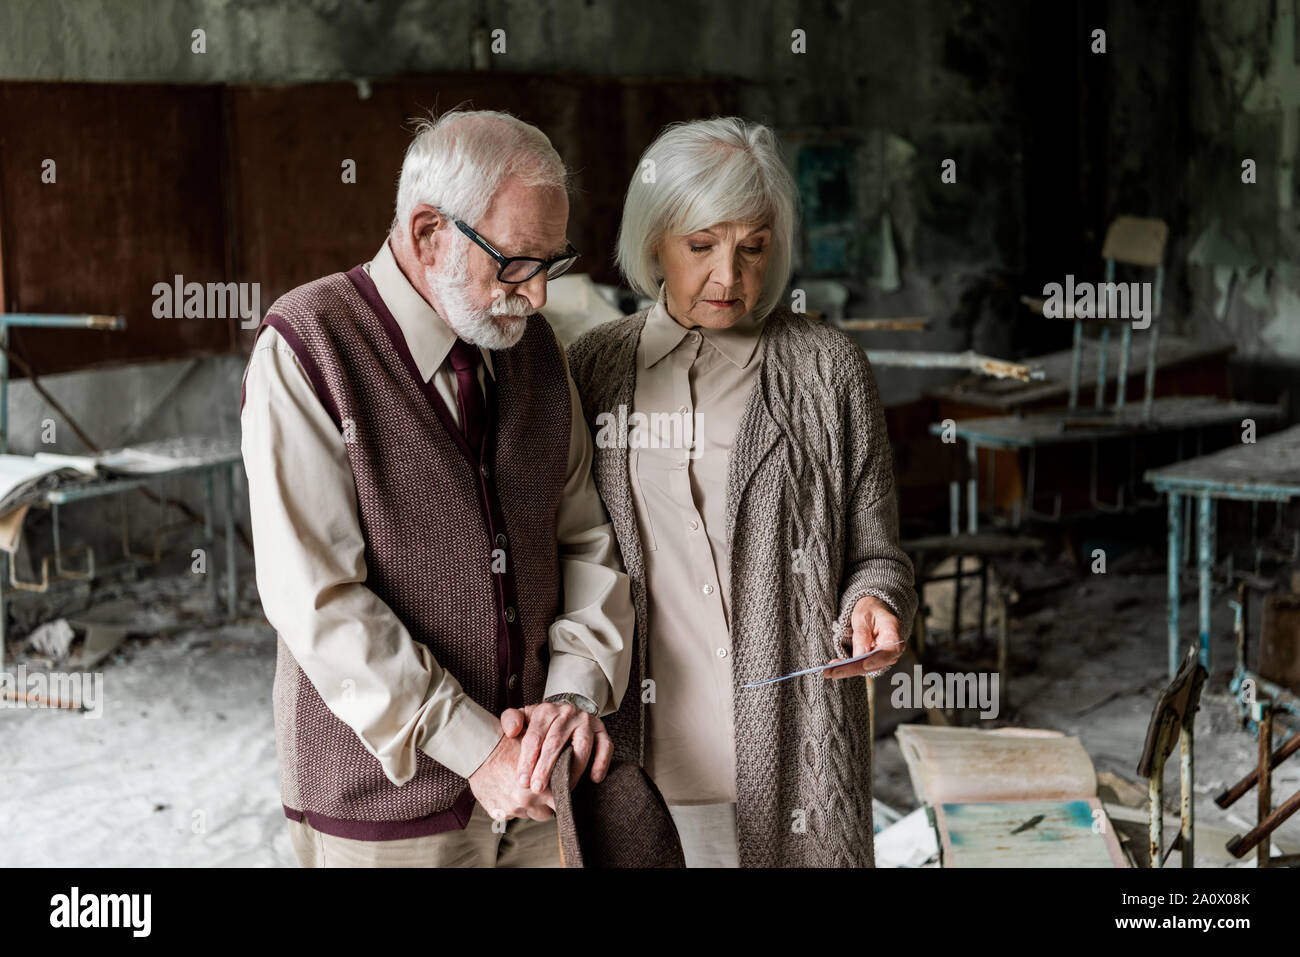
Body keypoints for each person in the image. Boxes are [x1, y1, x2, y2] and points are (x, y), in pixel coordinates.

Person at [240, 109, 634, 867]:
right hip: (386, 812)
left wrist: (573, 694)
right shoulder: (308, 345)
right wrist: (475, 748)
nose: (541, 294)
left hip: (535, 792)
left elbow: (586, 536)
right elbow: (319, 599)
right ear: (428, 235)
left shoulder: (536, 353)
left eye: (553, 262)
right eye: (517, 263)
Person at [567, 117, 917, 867]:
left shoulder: (829, 371)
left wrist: (874, 602)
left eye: (752, 249)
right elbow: (565, 551)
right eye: (702, 247)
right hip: (637, 763)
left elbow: (877, 551)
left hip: (798, 761)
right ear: (655, 239)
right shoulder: (591, 370)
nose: (729, 278)